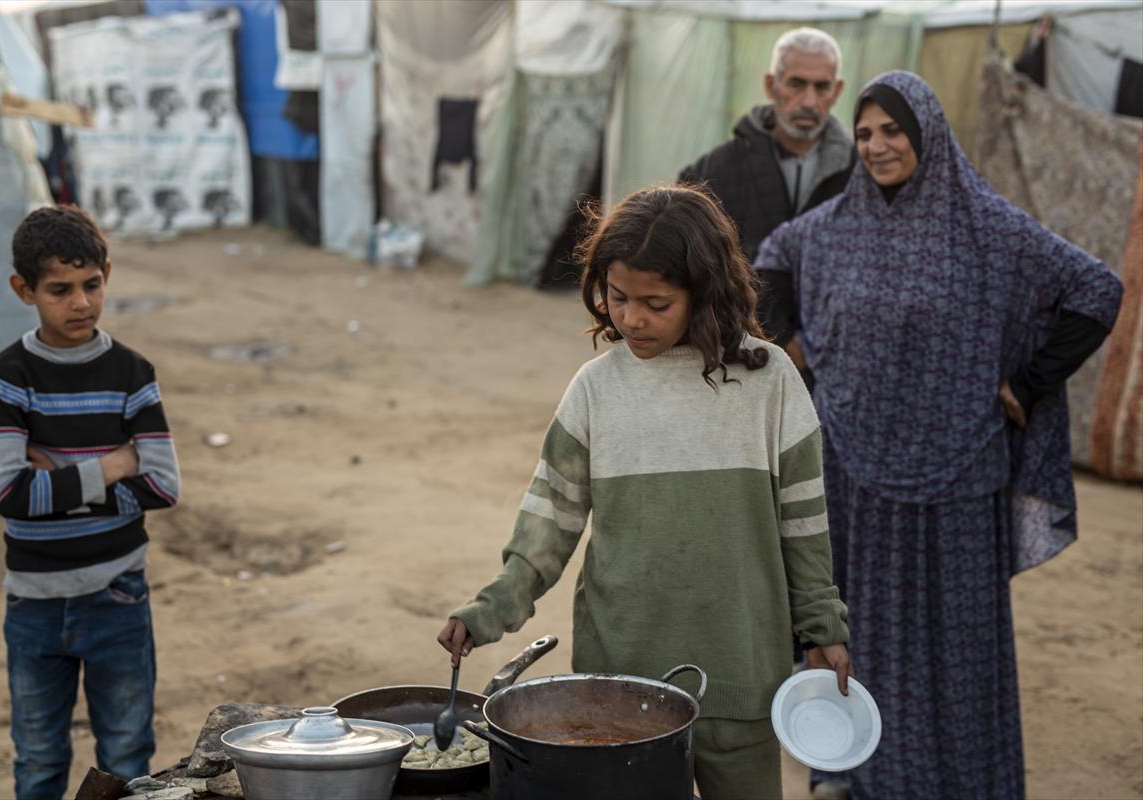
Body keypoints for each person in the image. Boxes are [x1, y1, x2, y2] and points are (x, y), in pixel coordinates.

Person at [753, 71, 1123, 800]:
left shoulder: (989, 228)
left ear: (928, 133)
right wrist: (790, 341)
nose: (876, 146)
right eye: (864, 133)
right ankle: (852, 770)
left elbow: (1096, 290)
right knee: (857, 631)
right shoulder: (834, 227)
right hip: (856, 473)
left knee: (957, 643)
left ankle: (961, 782)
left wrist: (1029, 382)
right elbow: (770, 260)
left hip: (958, 476)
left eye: (892, 130)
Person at [437, 184, 853, 799]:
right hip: (620, 688)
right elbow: (550, 521)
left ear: (705, 293)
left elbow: (804, 523)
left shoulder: (771, 384)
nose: (631, 319)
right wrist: (493, 606)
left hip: (741, 678)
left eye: (656, 303)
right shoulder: (595, 389)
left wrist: (823, 627)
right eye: (618, 297)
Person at [0, 205, 181, 800]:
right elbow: (12, 495)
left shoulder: (132, 373)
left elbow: (163, 486)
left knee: (126, 756)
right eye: (59, 290)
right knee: (39, 760)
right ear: (24, 290)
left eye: (92, 285)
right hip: (34, 603)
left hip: (119, 593)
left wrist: (58, 480)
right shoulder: (6, 376)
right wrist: (113, 464)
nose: (81, 303)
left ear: (107, 275)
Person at [679, 27, 855, 361]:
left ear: (837, 91)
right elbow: (691, 270)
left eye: (821, 87)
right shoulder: (713, 173)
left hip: (834, 361)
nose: (809, 101)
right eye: (796, 84)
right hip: (740, 356)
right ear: (771, 85)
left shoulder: (861, 175)